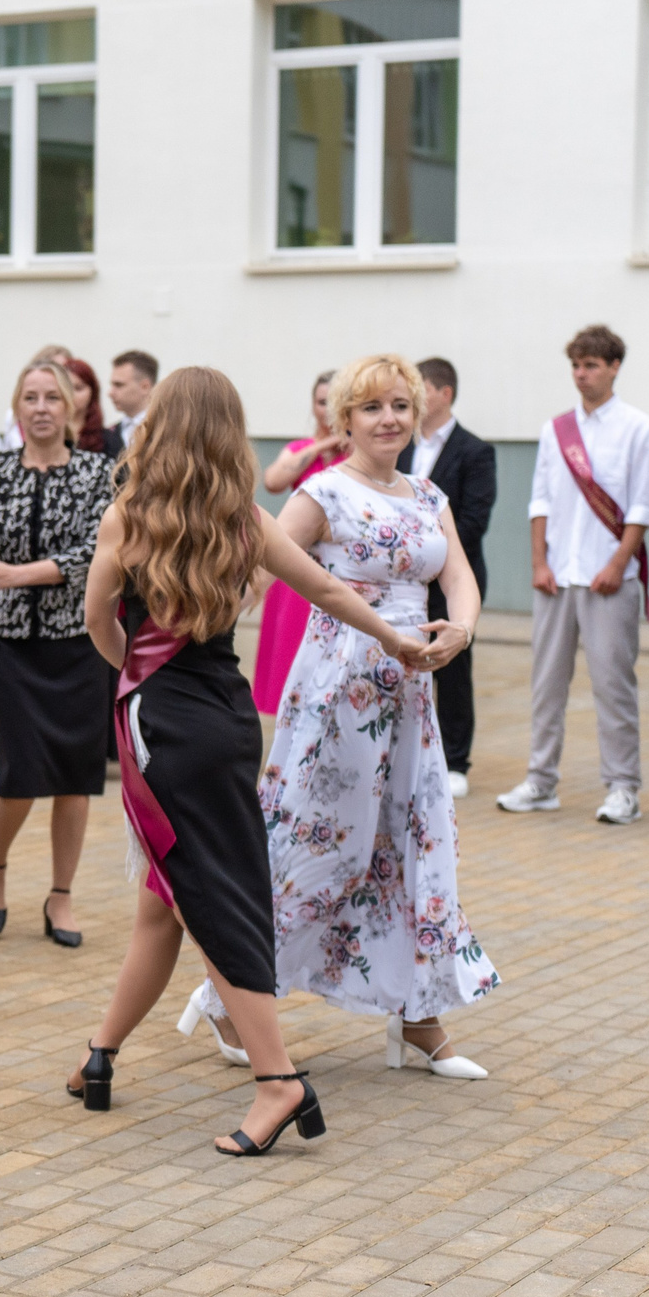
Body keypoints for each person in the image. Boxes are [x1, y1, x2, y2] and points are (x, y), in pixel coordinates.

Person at [70, 364, 430, 1152]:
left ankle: (279, 1081)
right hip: (231, 720)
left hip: (160, 727)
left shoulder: (128, 515)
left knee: (211, 899)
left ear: (158, 427)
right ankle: (100, 1053)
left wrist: (130, 667)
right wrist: (396, 637)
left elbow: (96, 616)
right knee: (165, 902)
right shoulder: (244, 517)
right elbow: (329, 591)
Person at [233, 354, 496, 1085]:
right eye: (372, 407)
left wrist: (462, 630)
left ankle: (420, 1016)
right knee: (320, 841)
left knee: (416, 836)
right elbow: (257, 572)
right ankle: (232, 993)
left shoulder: (428, 493)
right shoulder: (322, 493)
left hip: (413, 691)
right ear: (344, 418)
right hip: (339, 689)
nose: (388, 419)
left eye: (401, 407)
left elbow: (458, 575)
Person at [0, 361, 116, 948]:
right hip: (5, 642)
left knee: (75, 774)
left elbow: (94, 553)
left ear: (71, 409)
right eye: (30, 398)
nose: (41, 407)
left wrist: (15, 574)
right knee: (19, 769)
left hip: (78, 641)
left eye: (52, 398)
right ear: (17, 408)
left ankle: (61, 894)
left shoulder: (98, 472)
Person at [497, 324, 649, 825]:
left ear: (614, 368)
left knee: (613, 685)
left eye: (591, 365)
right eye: (576, 365)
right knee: (546, 683)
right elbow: (540, 498)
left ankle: (623, 788)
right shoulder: (556, 430)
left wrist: (618, 563)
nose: (581, 374)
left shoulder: (639, 427)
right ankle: (541, 780)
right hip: (557, 577)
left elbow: (642, 506)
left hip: (608, 579)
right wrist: (538, 562)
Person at [410, 358, 496, 798]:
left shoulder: (475, 451)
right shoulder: (401, 446)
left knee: (454, 667)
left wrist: (427, 551)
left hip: (450, 575)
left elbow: (474, 519)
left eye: (419, 388)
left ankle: (456, 760)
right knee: (406, 660)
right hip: (404, 580)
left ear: (444, 393)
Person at [251, 370, 343, 715]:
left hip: (341, 565)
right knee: (291, 652)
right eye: (322, 402)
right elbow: (274, 480)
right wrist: (322, 446)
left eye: (335, 401)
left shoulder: (362, 453)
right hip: (297, 565)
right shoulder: (302, 449)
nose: (328, 410)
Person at [105, 350, 158, 454]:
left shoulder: (165, 431)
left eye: (119, 385)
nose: (110, 393)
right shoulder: (108, 435)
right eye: (112, 385)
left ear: (145, 387)